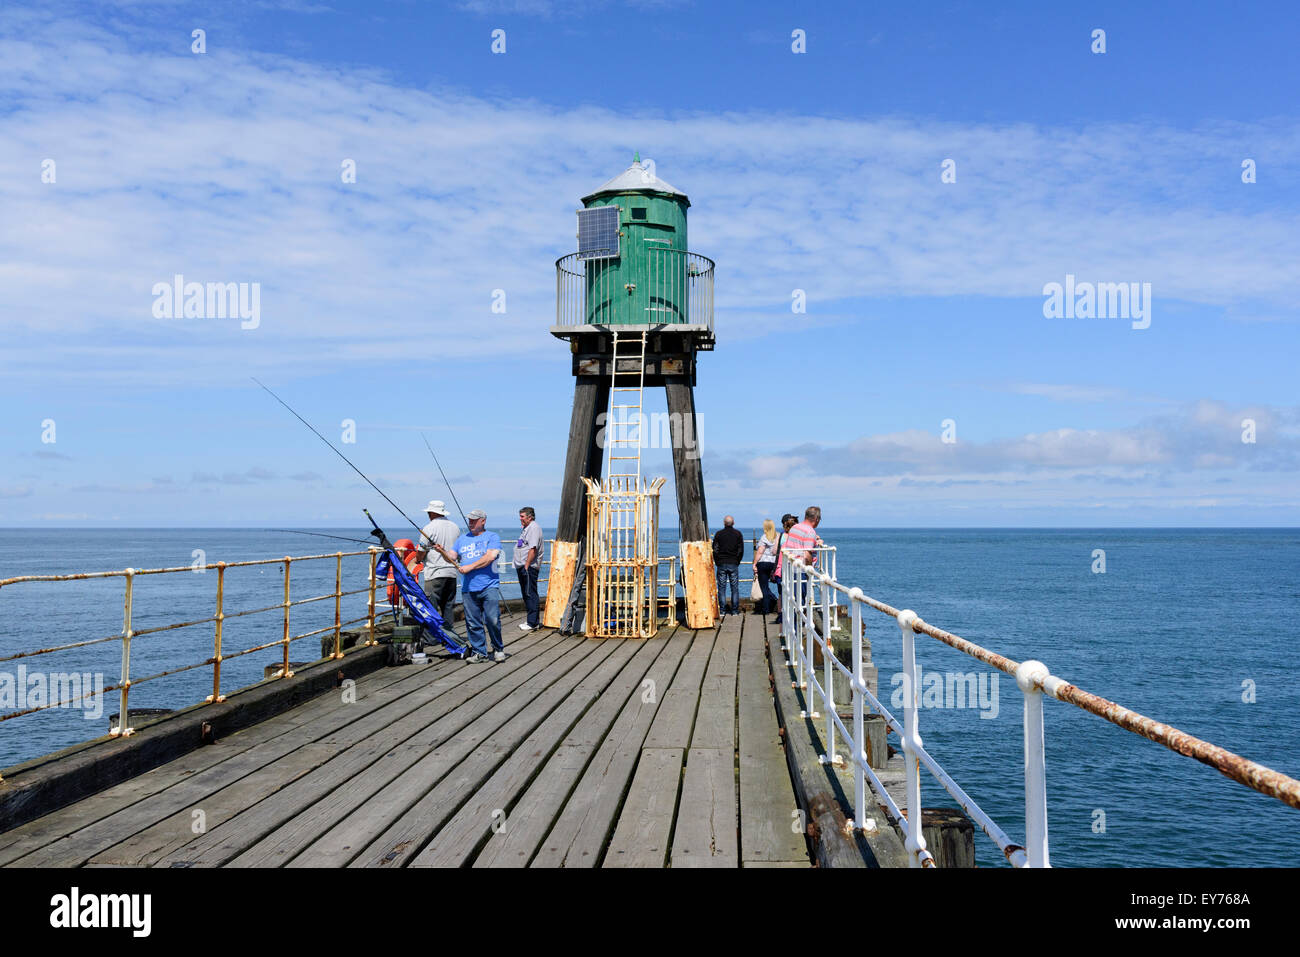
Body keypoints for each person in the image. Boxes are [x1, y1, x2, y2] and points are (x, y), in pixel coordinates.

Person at [430, 508, 505, 663]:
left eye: (474, 520)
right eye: (469, 520)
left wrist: (470, 567)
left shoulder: (492, 537)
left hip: (488, 586)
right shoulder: (462, 539)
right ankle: (480, 652)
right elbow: (451, 557)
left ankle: (498, 648)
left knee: (492, 619)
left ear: (483, 521)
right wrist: (442, 550)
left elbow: (490, 556)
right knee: (472, 622)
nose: (470, 522)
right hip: (468, 588)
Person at [416, 500, 460, 637]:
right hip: (452, 572)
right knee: (448, 607)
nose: (428, 515)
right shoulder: (455, 527)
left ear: (432, 513)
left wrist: (417, 559)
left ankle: (432, 638)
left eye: (429, 512)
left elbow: (421, 551)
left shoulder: (429, 528)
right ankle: (449, 636)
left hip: (434, 573)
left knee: (431, 608)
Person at [514, 506, 543, 632]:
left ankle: (533, 622)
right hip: (523, 566)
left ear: (529, 517)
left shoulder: (534, 528)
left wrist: (526, 565)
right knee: (526, 593)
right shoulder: (526, 528)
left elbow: (533, 548)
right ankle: (531, 620)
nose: (520, 519)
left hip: (529, 567)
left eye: (522, 516)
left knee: (530, 593)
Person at [712, 515, 744, 616]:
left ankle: (722, 610)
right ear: (733, 523)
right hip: (733, 563)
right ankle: (734, 611)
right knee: (734, 588)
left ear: (724, 523)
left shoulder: (718, 534)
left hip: (721, 563)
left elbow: (715, 550)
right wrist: (737, 561)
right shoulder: (738, 534)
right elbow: (740, 550)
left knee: (722, 588)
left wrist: (718, 562)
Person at [771, 513, 797, 625]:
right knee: (794, 593)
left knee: (781, 594)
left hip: (781, 569)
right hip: (794, 569)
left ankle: (781, 615)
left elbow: (773, 551)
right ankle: (794, 615)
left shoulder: (780, 536)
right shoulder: (796, 538)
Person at [753, 519, 779, 616]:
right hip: (774, 564)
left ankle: (766, 609)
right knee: (778, 585)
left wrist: (754, 563)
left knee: (764, 586)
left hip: (763, 563)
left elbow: (760, 552)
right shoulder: (778, 536)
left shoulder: (764, 537)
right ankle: (776, 603)